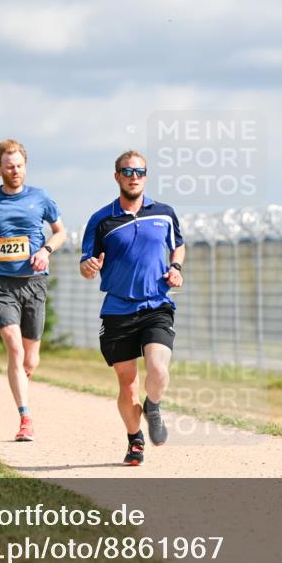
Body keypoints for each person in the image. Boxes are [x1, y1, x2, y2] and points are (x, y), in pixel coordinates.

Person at [0, 138, 66, 442]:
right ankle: (25, 418)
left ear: (25, 167)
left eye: (19, 166)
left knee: (30, 360)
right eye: (9, 166)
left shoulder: (41, 198)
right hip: (1, 283)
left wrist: (45, 250)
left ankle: (20, 378)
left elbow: (61, 232)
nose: (15, 171)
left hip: (34, 283)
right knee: (14, 349)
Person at [80, 150, 185, 466]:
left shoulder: (164, 213)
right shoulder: (102, 220)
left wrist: (176, 266)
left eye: (140, 171)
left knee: (158, 367)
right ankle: (134, 439)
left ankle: (153, 406)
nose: (134, 176)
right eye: (127, 171)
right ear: (117, 177)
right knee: (127, 386)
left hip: (156, 304)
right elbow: (86, 262)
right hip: (117, 310)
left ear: (146, 176)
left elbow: (177, 243)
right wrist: (88, 267)